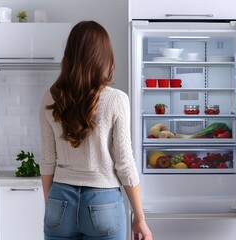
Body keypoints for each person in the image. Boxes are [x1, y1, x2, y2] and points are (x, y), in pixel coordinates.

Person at [39, 20, 152, 240]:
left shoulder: (50, 97)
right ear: (104, 57)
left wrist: (52, 206)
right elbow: (125, 163)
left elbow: (46, 160)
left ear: (69, 55)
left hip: (59, 199)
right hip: (103, 202)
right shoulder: (116, 99)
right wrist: (140, 218)